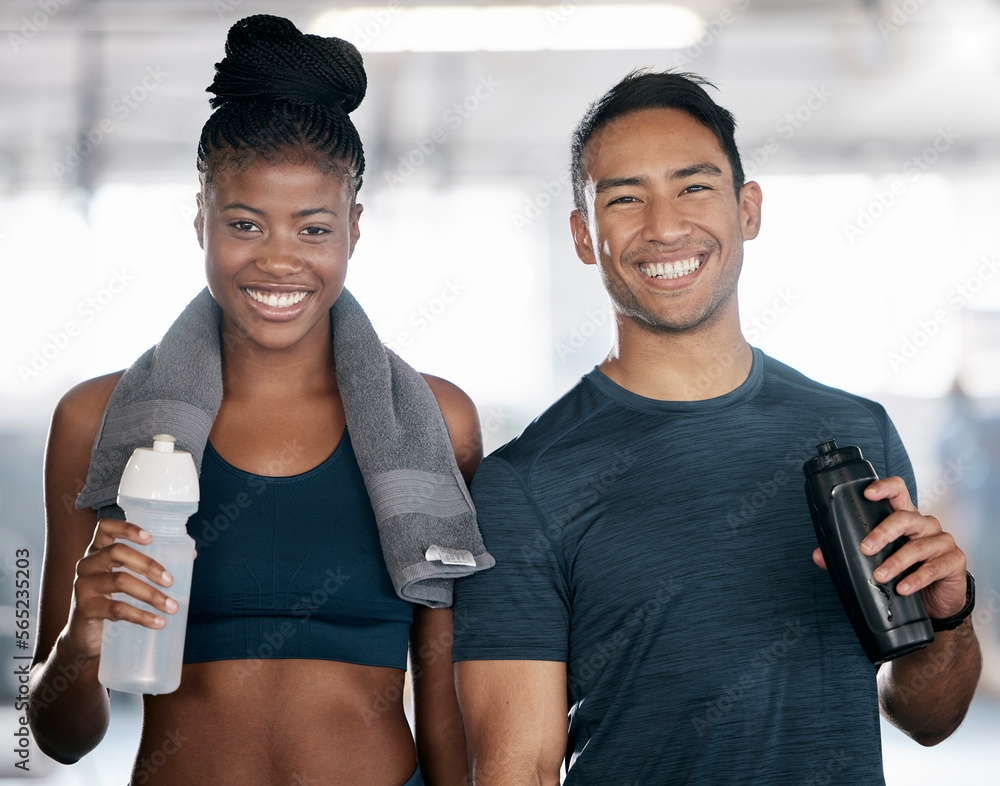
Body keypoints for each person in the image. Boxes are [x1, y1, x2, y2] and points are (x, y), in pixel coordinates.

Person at [451, 70, 983, 784]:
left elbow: (926, 718)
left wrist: (949, 619)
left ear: (748, 209)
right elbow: (517, 767)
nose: (665, 225)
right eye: (625, 198)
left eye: (694, 187)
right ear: (584, 236)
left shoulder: (857, 436)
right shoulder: (527, 483)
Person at [28, 15, 489, 786]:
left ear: (354, 229)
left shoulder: (435, 422)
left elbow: (445, 703)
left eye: (314, 228)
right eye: (244, 224)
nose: (278, 260)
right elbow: (58, 739)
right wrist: (80, 640)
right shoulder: (97, 421)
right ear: (200, 218)